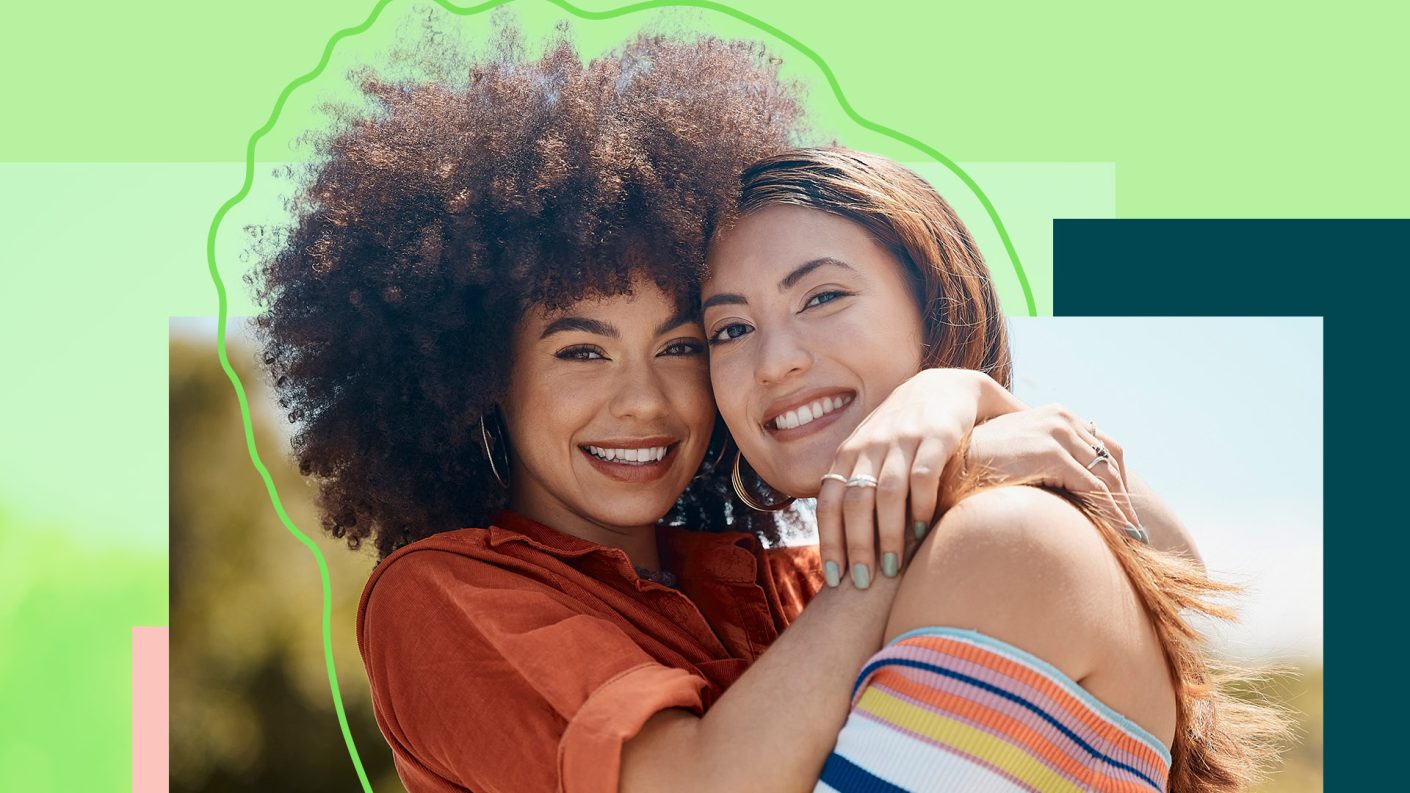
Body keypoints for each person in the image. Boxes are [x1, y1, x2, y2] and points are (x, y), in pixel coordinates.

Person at [251, 27, 1283, 793]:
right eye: (579, 349)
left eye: (687, 343)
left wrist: (959, 395)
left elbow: (1171, 573)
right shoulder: (445, 594)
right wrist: (925, 483)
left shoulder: (777, 586)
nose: (645, 399)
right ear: (476, 373)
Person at [691, 146, 1288, 791]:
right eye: (730, 329)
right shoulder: (784, 592)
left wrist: (962, 398)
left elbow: (1178, 573)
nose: (775, 361)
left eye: (823, 296)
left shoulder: (1007, 537)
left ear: (935, 304)